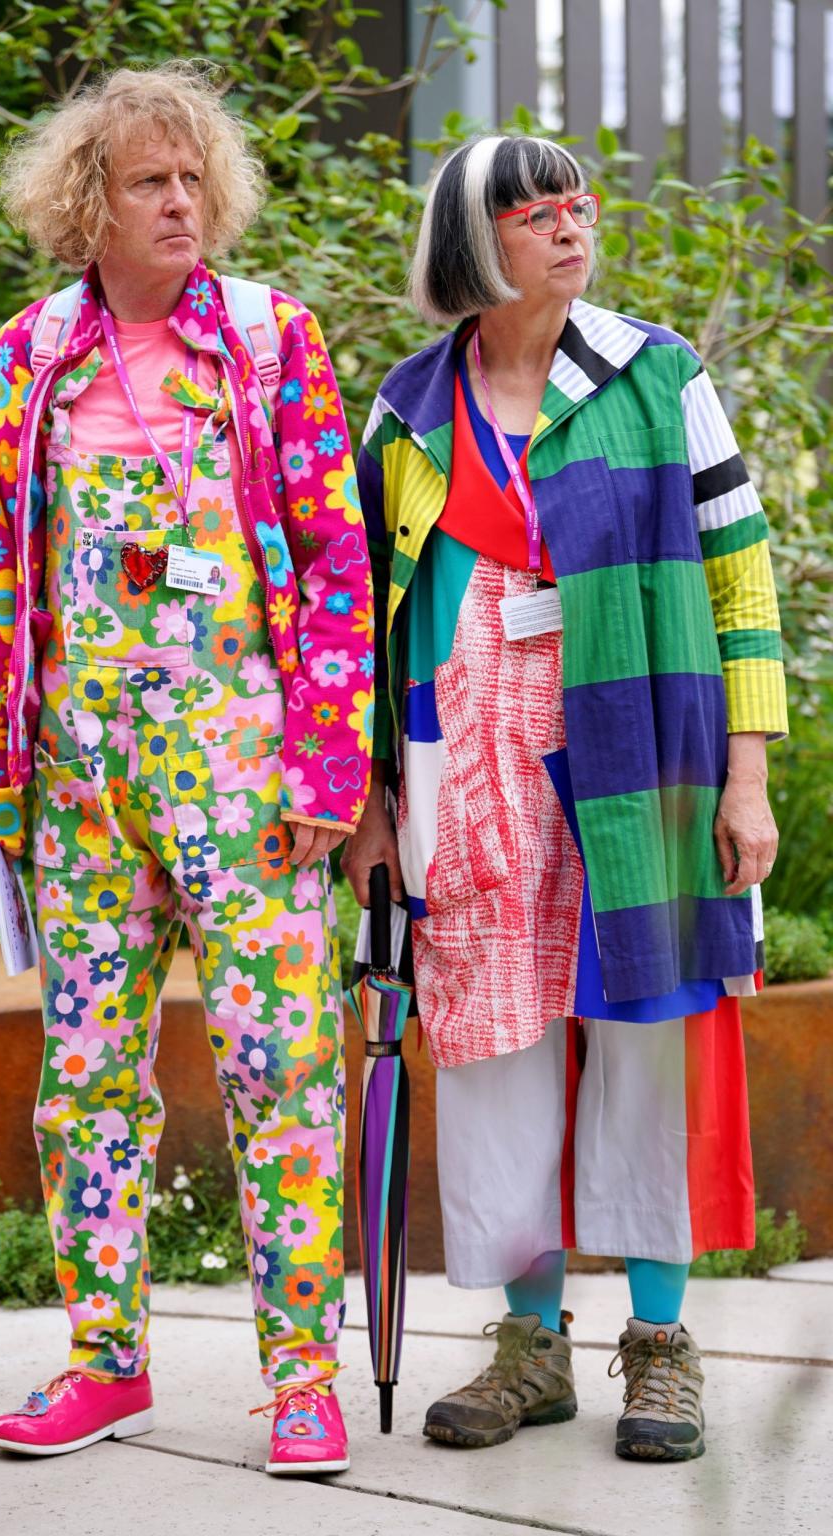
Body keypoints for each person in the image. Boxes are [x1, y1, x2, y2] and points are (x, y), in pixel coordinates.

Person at [0, 62, 374, 1475]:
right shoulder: (27, 357)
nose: (182, 201)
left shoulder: (271, 340)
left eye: (195, 177)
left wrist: (328, 766)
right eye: (150, 180)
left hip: (245, 771)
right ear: (92, 203)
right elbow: (3, 576)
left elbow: (334, 566)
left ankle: (303, 1377)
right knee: (83, 1077)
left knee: (281, 1066)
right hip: (80, 780)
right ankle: (104, 1361)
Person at [344, 134, 786, 1464]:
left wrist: (749, 772)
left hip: (644, 744)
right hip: (459, 763)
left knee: (649, 1029)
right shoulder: (412, 410)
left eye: (575, 206)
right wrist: (369, 797)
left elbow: (738, 571)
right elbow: (362, 617)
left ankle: (659, 1344)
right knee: (491, 1040)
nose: (568, 227)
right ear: (474, 249)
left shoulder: (660, 377)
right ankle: (531, 1345)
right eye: (536, 213)